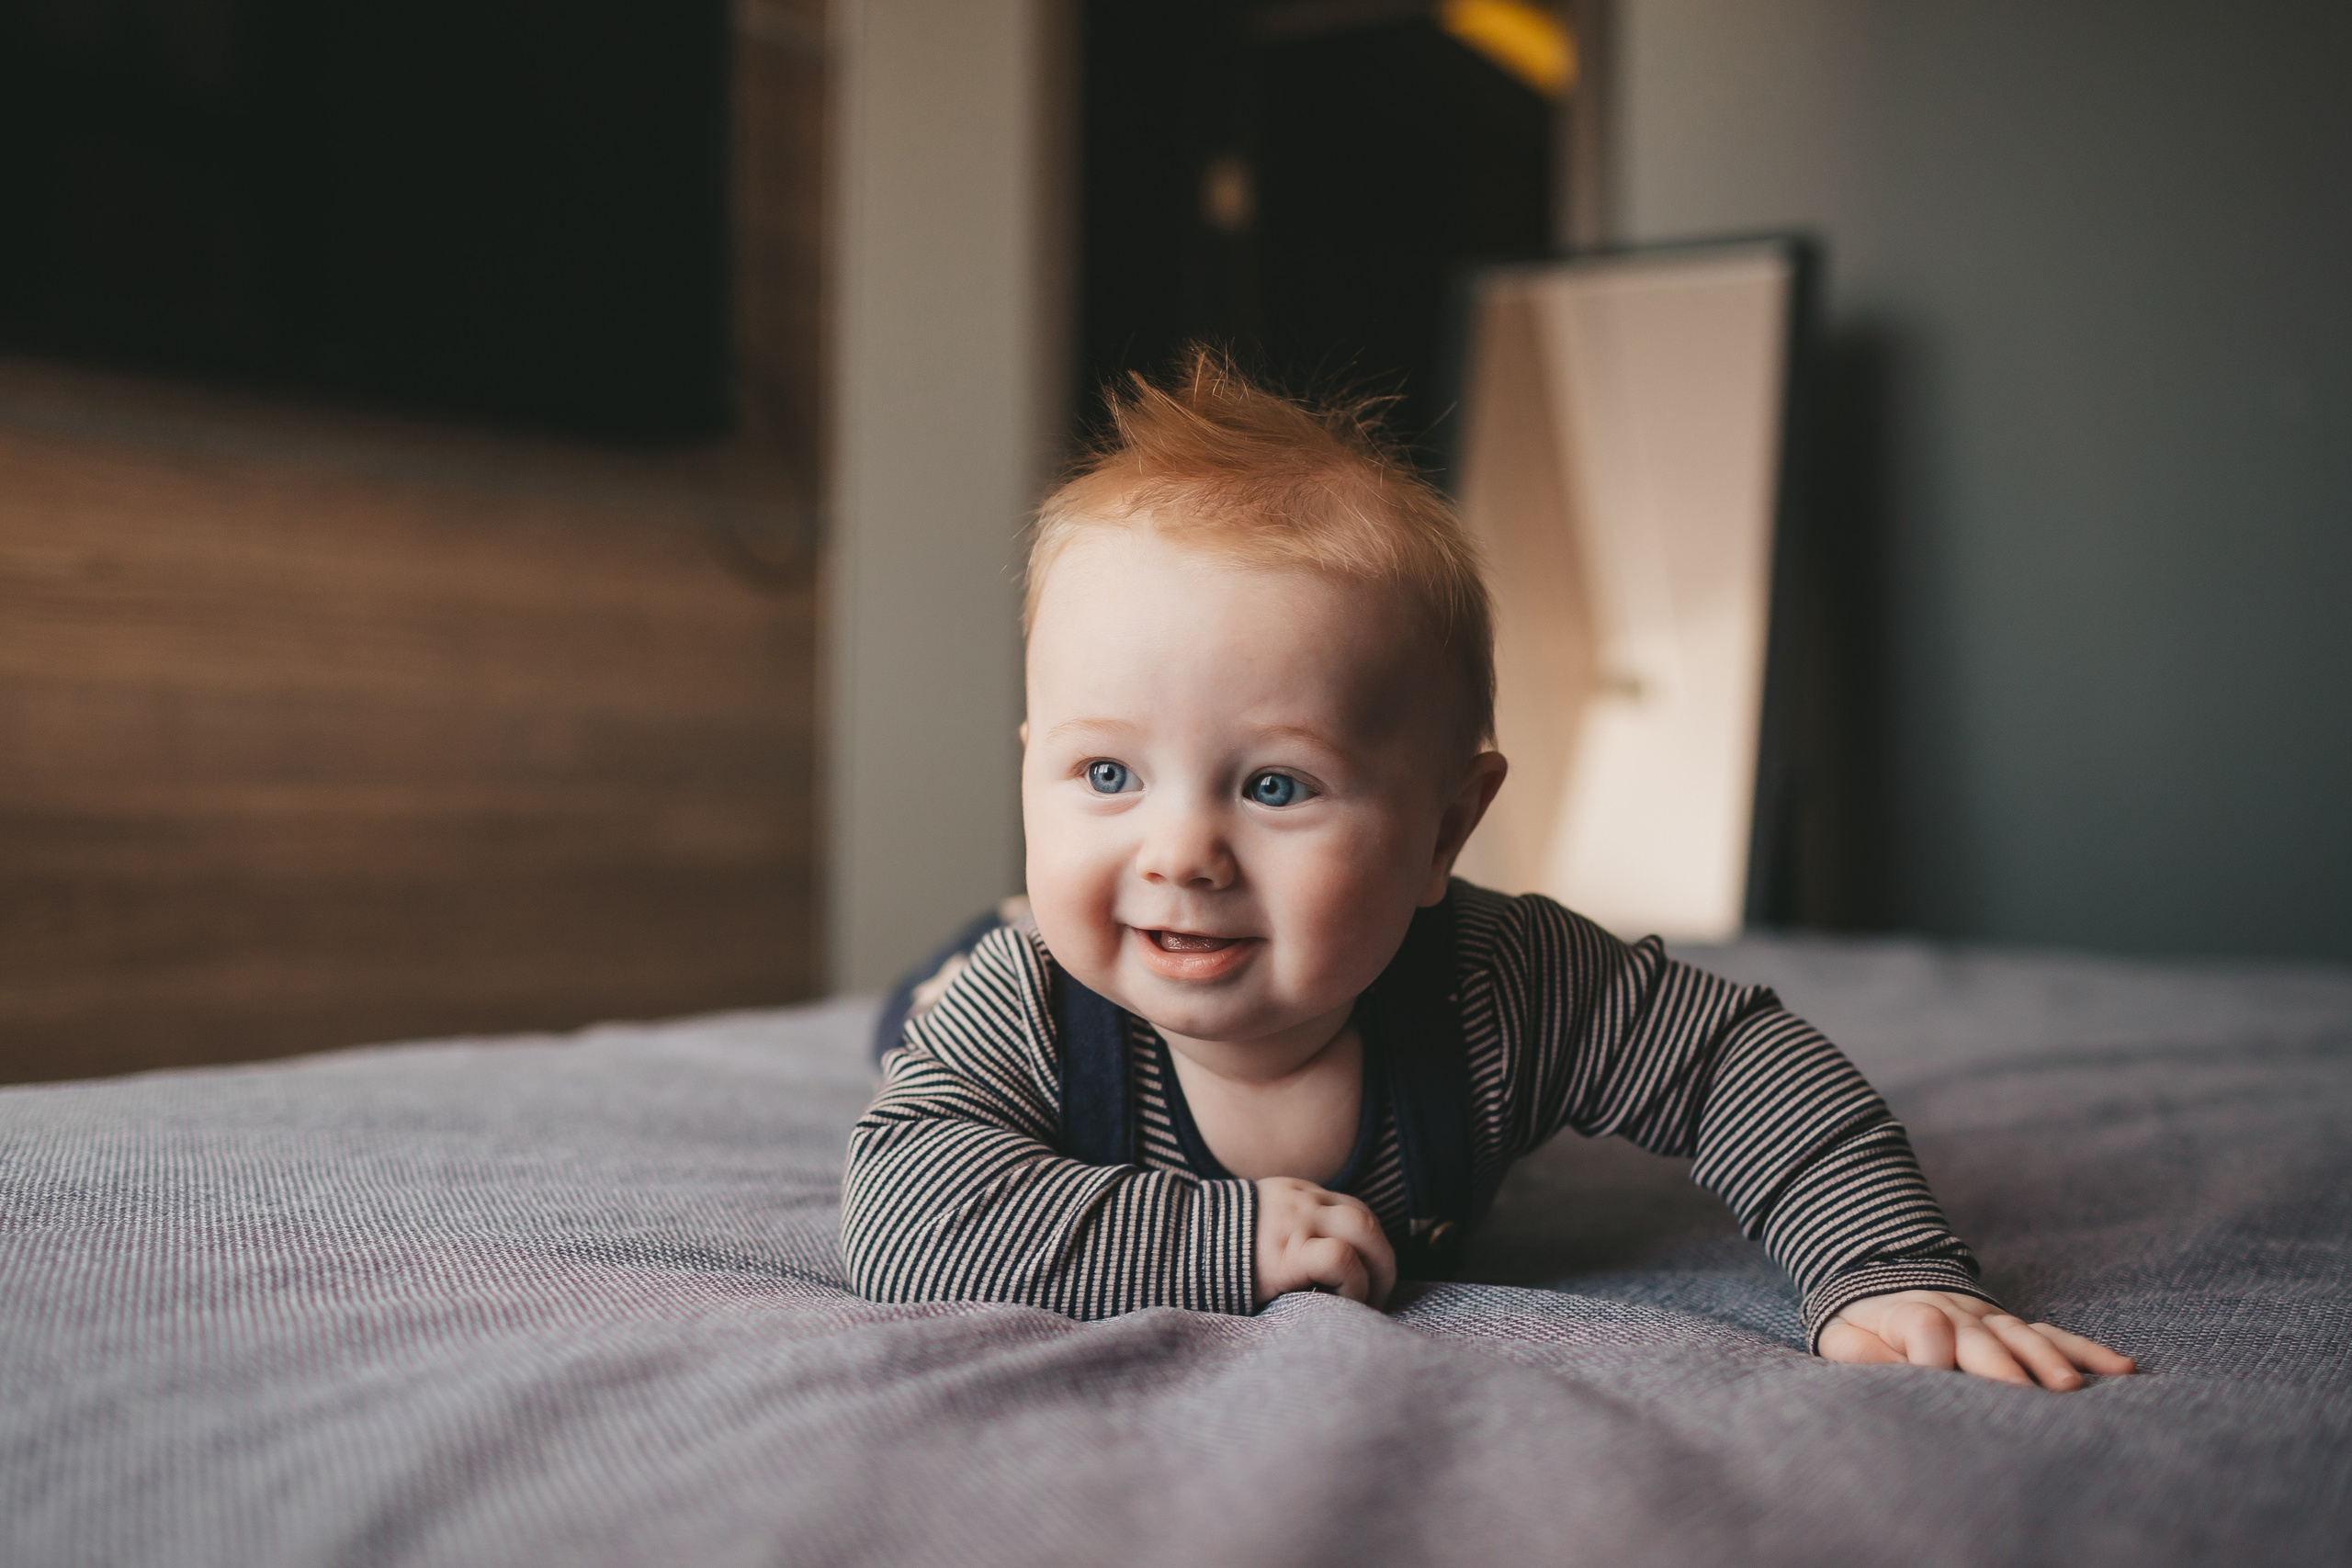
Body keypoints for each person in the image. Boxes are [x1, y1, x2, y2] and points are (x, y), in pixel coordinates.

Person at [842, 347, 2133, 1389]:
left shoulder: (1502, 982)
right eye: (1107, 776)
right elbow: (906, 1214)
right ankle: (1001, 914)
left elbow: (1746, 1063)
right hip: (993, 974)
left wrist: (1891, 1271)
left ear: (1446, 832)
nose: (1180, 855)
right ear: (1030, 772)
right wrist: (1219, 1241)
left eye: (1275, 785)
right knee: (932, 1017)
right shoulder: (1034, 1004)